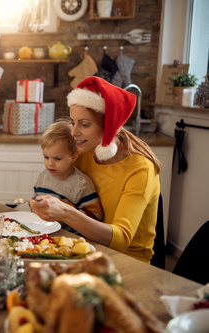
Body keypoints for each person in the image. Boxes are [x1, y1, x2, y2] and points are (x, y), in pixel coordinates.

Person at [30, 77, 161, 263]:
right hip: (81, 247)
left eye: (83, 124)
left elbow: (121, 240)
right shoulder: (83, 151)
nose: (74, 132)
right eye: (72, 122)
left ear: (109, 125)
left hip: (126, 261)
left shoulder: (140, 169)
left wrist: (66, 212)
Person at [34, 119, 102, 223]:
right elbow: (36, 197)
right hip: (43, 230)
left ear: (74, 157)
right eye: (46, 157)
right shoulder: (44, 176)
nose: (50, 163)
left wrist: (66, 214)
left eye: (57, 159)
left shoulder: (82, 184)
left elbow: (95, 215)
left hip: (69, 236)